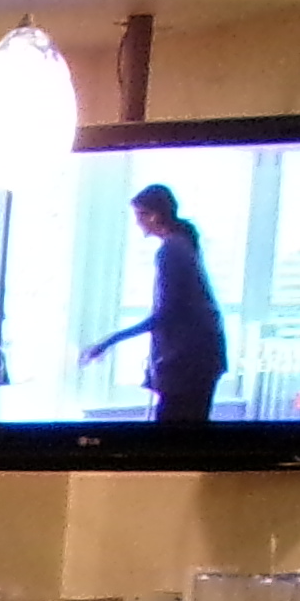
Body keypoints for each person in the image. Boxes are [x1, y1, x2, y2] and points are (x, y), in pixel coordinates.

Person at [88, 181, 227, 425]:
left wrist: (109, 341)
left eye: (139, 215)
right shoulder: (182, 244)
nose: (137, 222)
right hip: (201, 360)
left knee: (173, 437)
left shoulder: (171, 250)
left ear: (153, 216)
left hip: (189, 364)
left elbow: (165, 314)